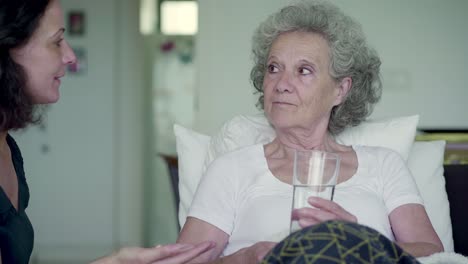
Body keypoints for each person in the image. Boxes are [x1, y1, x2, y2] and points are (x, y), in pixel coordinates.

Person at [177, 0, 443, 263]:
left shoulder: (384, 164)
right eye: (273, 68)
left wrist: (359, 239)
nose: (282, 84)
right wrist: (242, 258)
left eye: (303, 70)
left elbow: (433, 252)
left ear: (341, 89)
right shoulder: (231, 170)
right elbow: (181, 262)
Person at [0, 0, 214, 263]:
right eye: (57, 42)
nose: (70, 56)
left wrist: (118, 261)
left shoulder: (9, 149)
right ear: (8, 48)